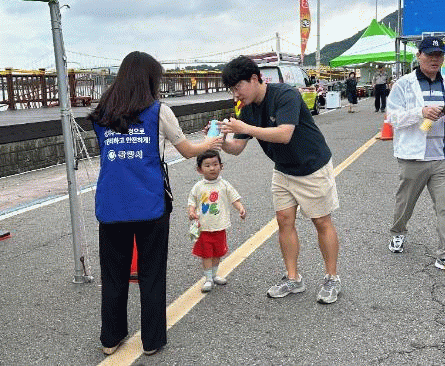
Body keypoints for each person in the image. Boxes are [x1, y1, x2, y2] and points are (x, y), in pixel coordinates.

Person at [89, 51, 223, 356]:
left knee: (113, 274)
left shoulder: (102, 114)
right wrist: (211, 143)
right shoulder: (159, 112)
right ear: (150, 79)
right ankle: (151, 341)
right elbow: (188, 151)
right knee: (151, 272)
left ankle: (111, 338)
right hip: (150, 204)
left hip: (111, 203)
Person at [218, 55, 341, 304]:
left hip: (312, 166)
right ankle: (293, 278)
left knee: (321, 221)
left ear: (254, 79)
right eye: (232, 89)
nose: (236, 94)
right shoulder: (247, 109)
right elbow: (237, 148)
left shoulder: (285, 95)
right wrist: (221, 141)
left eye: (238, 86)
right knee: (284, 221)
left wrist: (245, 128)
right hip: (283, 169)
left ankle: (332, 278)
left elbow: (285, 134)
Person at [386, 38, 445, 277]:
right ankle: (398, 232)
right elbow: (392, 117)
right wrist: (420, 112)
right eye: (430, 54)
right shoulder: (404, 84)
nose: (435, 59)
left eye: (439, 55)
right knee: (405, 203)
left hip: (444, 157)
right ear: (419, 55)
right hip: (414, 157)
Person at [188, 150, 246, 293]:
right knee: (207, 254)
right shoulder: (198, 187)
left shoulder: (224, 184)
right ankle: (208, 278)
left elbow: (234, 198)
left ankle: (214, 275)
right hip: (204, 228)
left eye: (215, 164)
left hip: (220, 226)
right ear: (199, 169)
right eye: (207, 165)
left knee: (218, 253)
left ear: (221, 166)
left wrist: (240, 208)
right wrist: (191, 212)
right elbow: (192, 202)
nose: (212, 168)